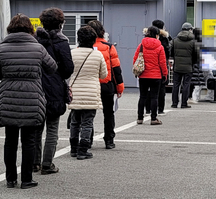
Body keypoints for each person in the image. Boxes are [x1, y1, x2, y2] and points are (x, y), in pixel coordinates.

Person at [0, 14, 57, 189]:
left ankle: (10, 179)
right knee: (29, 140)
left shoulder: (1, 49)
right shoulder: (38, 48)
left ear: (10, 28)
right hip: (32, 98)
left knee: (10, 141)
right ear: (30, 29)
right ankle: (27, 179)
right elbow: (52, 68)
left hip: (8, 98)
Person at [33, 8, 75, 173]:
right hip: (55, 88)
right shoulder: (61, 41)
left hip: (36, 87)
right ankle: (47, 164)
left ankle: (34, 162)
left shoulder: (34, 40)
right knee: (52, 128)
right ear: (60, 23)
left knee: (36, 128)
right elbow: (68, 68)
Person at [68, 26, 108, 160]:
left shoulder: (72, 53)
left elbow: (67, 71)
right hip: (91, 92)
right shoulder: (97, 55)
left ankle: (73, 148)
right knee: (87, 122)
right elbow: (104, 75)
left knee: (75, 122)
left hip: (75, 92)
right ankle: (83, 150)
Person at [87, 20, 124, 150]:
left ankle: (88, 139)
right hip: (106, 84)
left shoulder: (85, 47)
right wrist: (119, 87)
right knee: (108, 113)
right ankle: (109, 140)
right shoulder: (109, 47)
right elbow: (116, 70)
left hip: (90, 85)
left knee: (88, 114)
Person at [133, 26, 167, 125]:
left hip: (143, 75)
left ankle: (140, 118)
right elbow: (162, 62)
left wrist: (137, 71)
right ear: (157, 35)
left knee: (142, 96)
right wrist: (164, 73)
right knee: (154, 97)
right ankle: (153, 118)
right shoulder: (160, 47)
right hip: (155, 76)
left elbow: (135, 59)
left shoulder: (141, 45)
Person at [169, 22, 198, 108]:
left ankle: (174, 103)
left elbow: (171, 52)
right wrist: (192, 63)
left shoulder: (175, 40)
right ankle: (184, 103)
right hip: (188, 67)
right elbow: (195, 55)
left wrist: (175, 59)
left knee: (176, 85)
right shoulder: (193, 42)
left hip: (177, 66)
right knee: (186, 84)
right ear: (190, 30)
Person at [146, 20, 171, 115]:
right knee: (160, 89)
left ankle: (147, 109)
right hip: (159, 68)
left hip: (146, 68)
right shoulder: (164, 40)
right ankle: (160, 109)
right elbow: (165, 56)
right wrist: (165, 72)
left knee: (147, 90)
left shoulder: (145, 39)